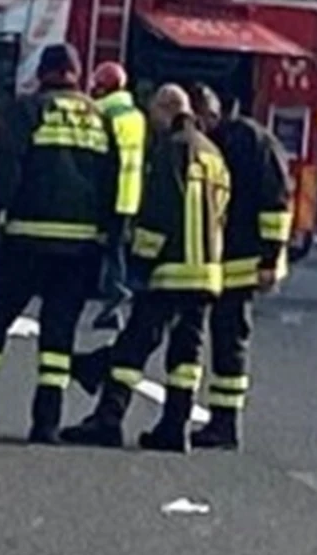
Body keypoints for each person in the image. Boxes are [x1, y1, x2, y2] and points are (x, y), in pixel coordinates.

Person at [0, 43, 115, 443]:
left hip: (27, 241)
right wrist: (105, 239)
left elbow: (7, 171)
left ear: (44, 73)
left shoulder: (28, 111)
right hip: (79, 249)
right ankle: (46, 424)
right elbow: (111, 182)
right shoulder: (100, 119)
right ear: (77, 75)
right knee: (58, 340)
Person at [60, 83, 231, 453]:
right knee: (186, 355)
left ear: (168, 109)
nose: (152, 124)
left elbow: (159, 209)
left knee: (133, 346)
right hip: (207, 272)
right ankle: (175, 427)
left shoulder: (172, 150)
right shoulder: (213, 153)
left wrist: (139, 260)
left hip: (171, 269)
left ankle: (108, 418)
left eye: (154, 115)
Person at [186, 84, 293, 450]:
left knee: (229, 339)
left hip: (244, 261)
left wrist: (269, 259)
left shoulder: (250, 142)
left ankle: (226, 423)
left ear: (208, 115)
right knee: (219, 336)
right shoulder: (227, 141)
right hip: (224, 258)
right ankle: (220, 421)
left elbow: (276, 204)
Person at [89, 60, 147, 331]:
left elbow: (103, 159)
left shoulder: (102, 114)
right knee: (116, 248)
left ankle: (115, 293)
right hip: (130, 194)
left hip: (108, 192)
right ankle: (111, 306)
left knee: (108, 250)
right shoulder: (136, 116)